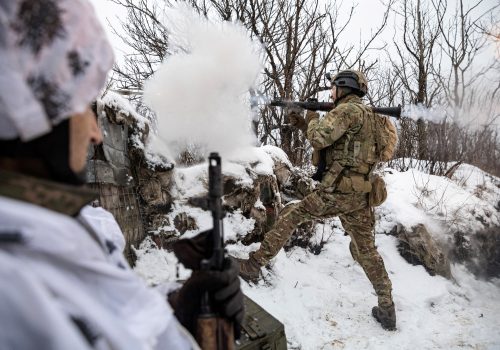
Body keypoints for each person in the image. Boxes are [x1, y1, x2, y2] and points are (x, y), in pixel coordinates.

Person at [0, 1, 243, 348]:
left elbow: (108, 320)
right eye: (83, 107)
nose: (95, 134)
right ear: (29, 112)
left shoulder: (55, 230)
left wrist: (176, 307)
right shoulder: (14, 285)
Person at [237, 70, 397, 330]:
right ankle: (387, 308)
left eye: (333, 88)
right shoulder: (372, 117)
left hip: (337, 193)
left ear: (344, 88)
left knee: (291, 214)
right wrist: (302, 122)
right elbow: (338, 146)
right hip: (361, 195)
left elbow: (319, 137)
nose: (331, 93)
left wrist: (311, 117)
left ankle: (254, 265)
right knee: (367, 252)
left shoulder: (347, 111)